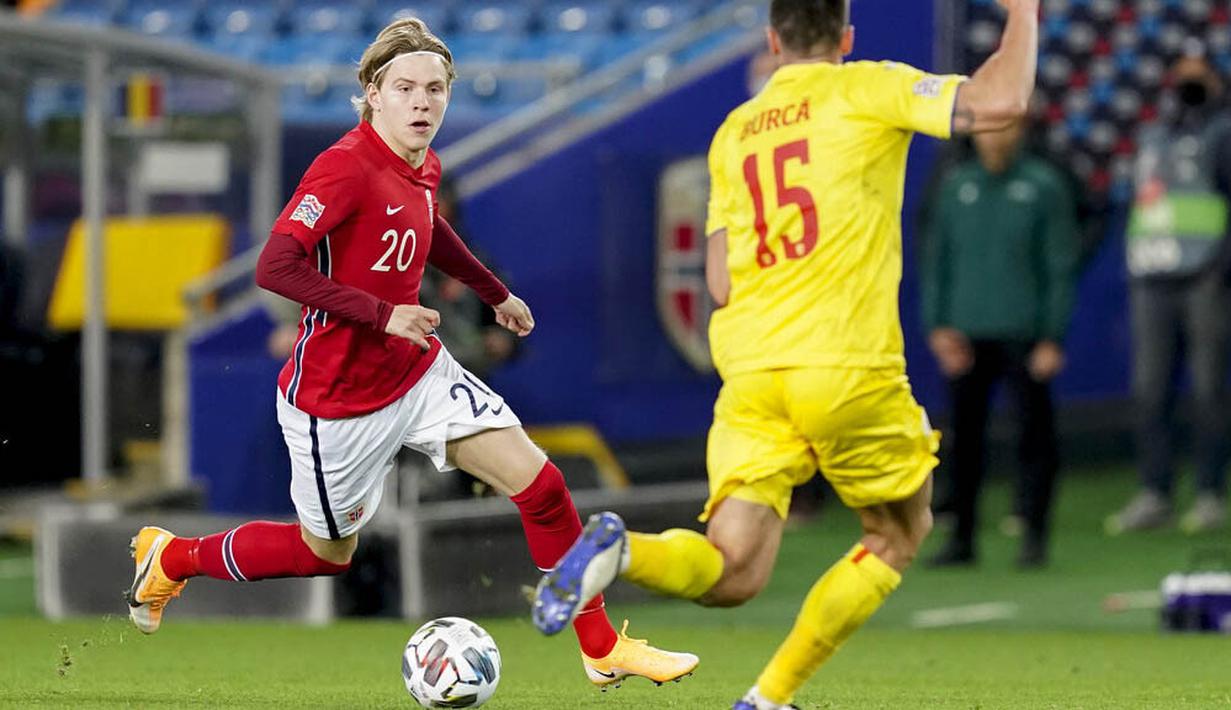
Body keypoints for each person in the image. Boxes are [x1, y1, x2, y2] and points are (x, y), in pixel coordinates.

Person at [123, 17, 697, 689]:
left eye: (435, 89)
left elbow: (431, 229)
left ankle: (599, 648)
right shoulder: (342, 167)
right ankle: (175, 558)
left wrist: (493, 293)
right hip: (335, 403)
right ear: (372, 92)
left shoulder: (424, 163)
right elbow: (275, 267)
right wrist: (380, 313)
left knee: (541, 485)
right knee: (325, 555)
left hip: (418, 373)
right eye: (404, 88)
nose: (422, 102)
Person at [532, 0, 1039, 707]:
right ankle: (766, 699)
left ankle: (621, 552)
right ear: (846, 36)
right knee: (896, 533)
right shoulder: (865, 86)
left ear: (772, 40)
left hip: (750, 372)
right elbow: (1001, 100)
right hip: (842, 364)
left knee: (733, 569)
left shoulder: (734, 131)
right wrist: (1021, 15)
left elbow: (718, 279)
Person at [920, 118, 1080, 568]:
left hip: (1024, 333)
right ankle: (961, 537)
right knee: (963, 440)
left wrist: (1053, 335)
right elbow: (937, 260)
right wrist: (939, 325)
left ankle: (1034, 535)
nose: (996, 137)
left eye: (1005, 127)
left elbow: (1058, 265)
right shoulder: (956, 186)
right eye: (989, 128)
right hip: (967, 332)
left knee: (1034, 437)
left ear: (1020, 132)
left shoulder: (1043, 186)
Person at [1106, 48, 1231, 535]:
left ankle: (1208, 493)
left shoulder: (1223, 133)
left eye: (1198, 76)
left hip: (1206, 277)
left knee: (1206, 391)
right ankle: (1155, 492)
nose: (1189, 84)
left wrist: (1222, 267)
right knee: (1150, 390)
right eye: (1182, 75)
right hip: (1153, 275)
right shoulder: (1153, 135)